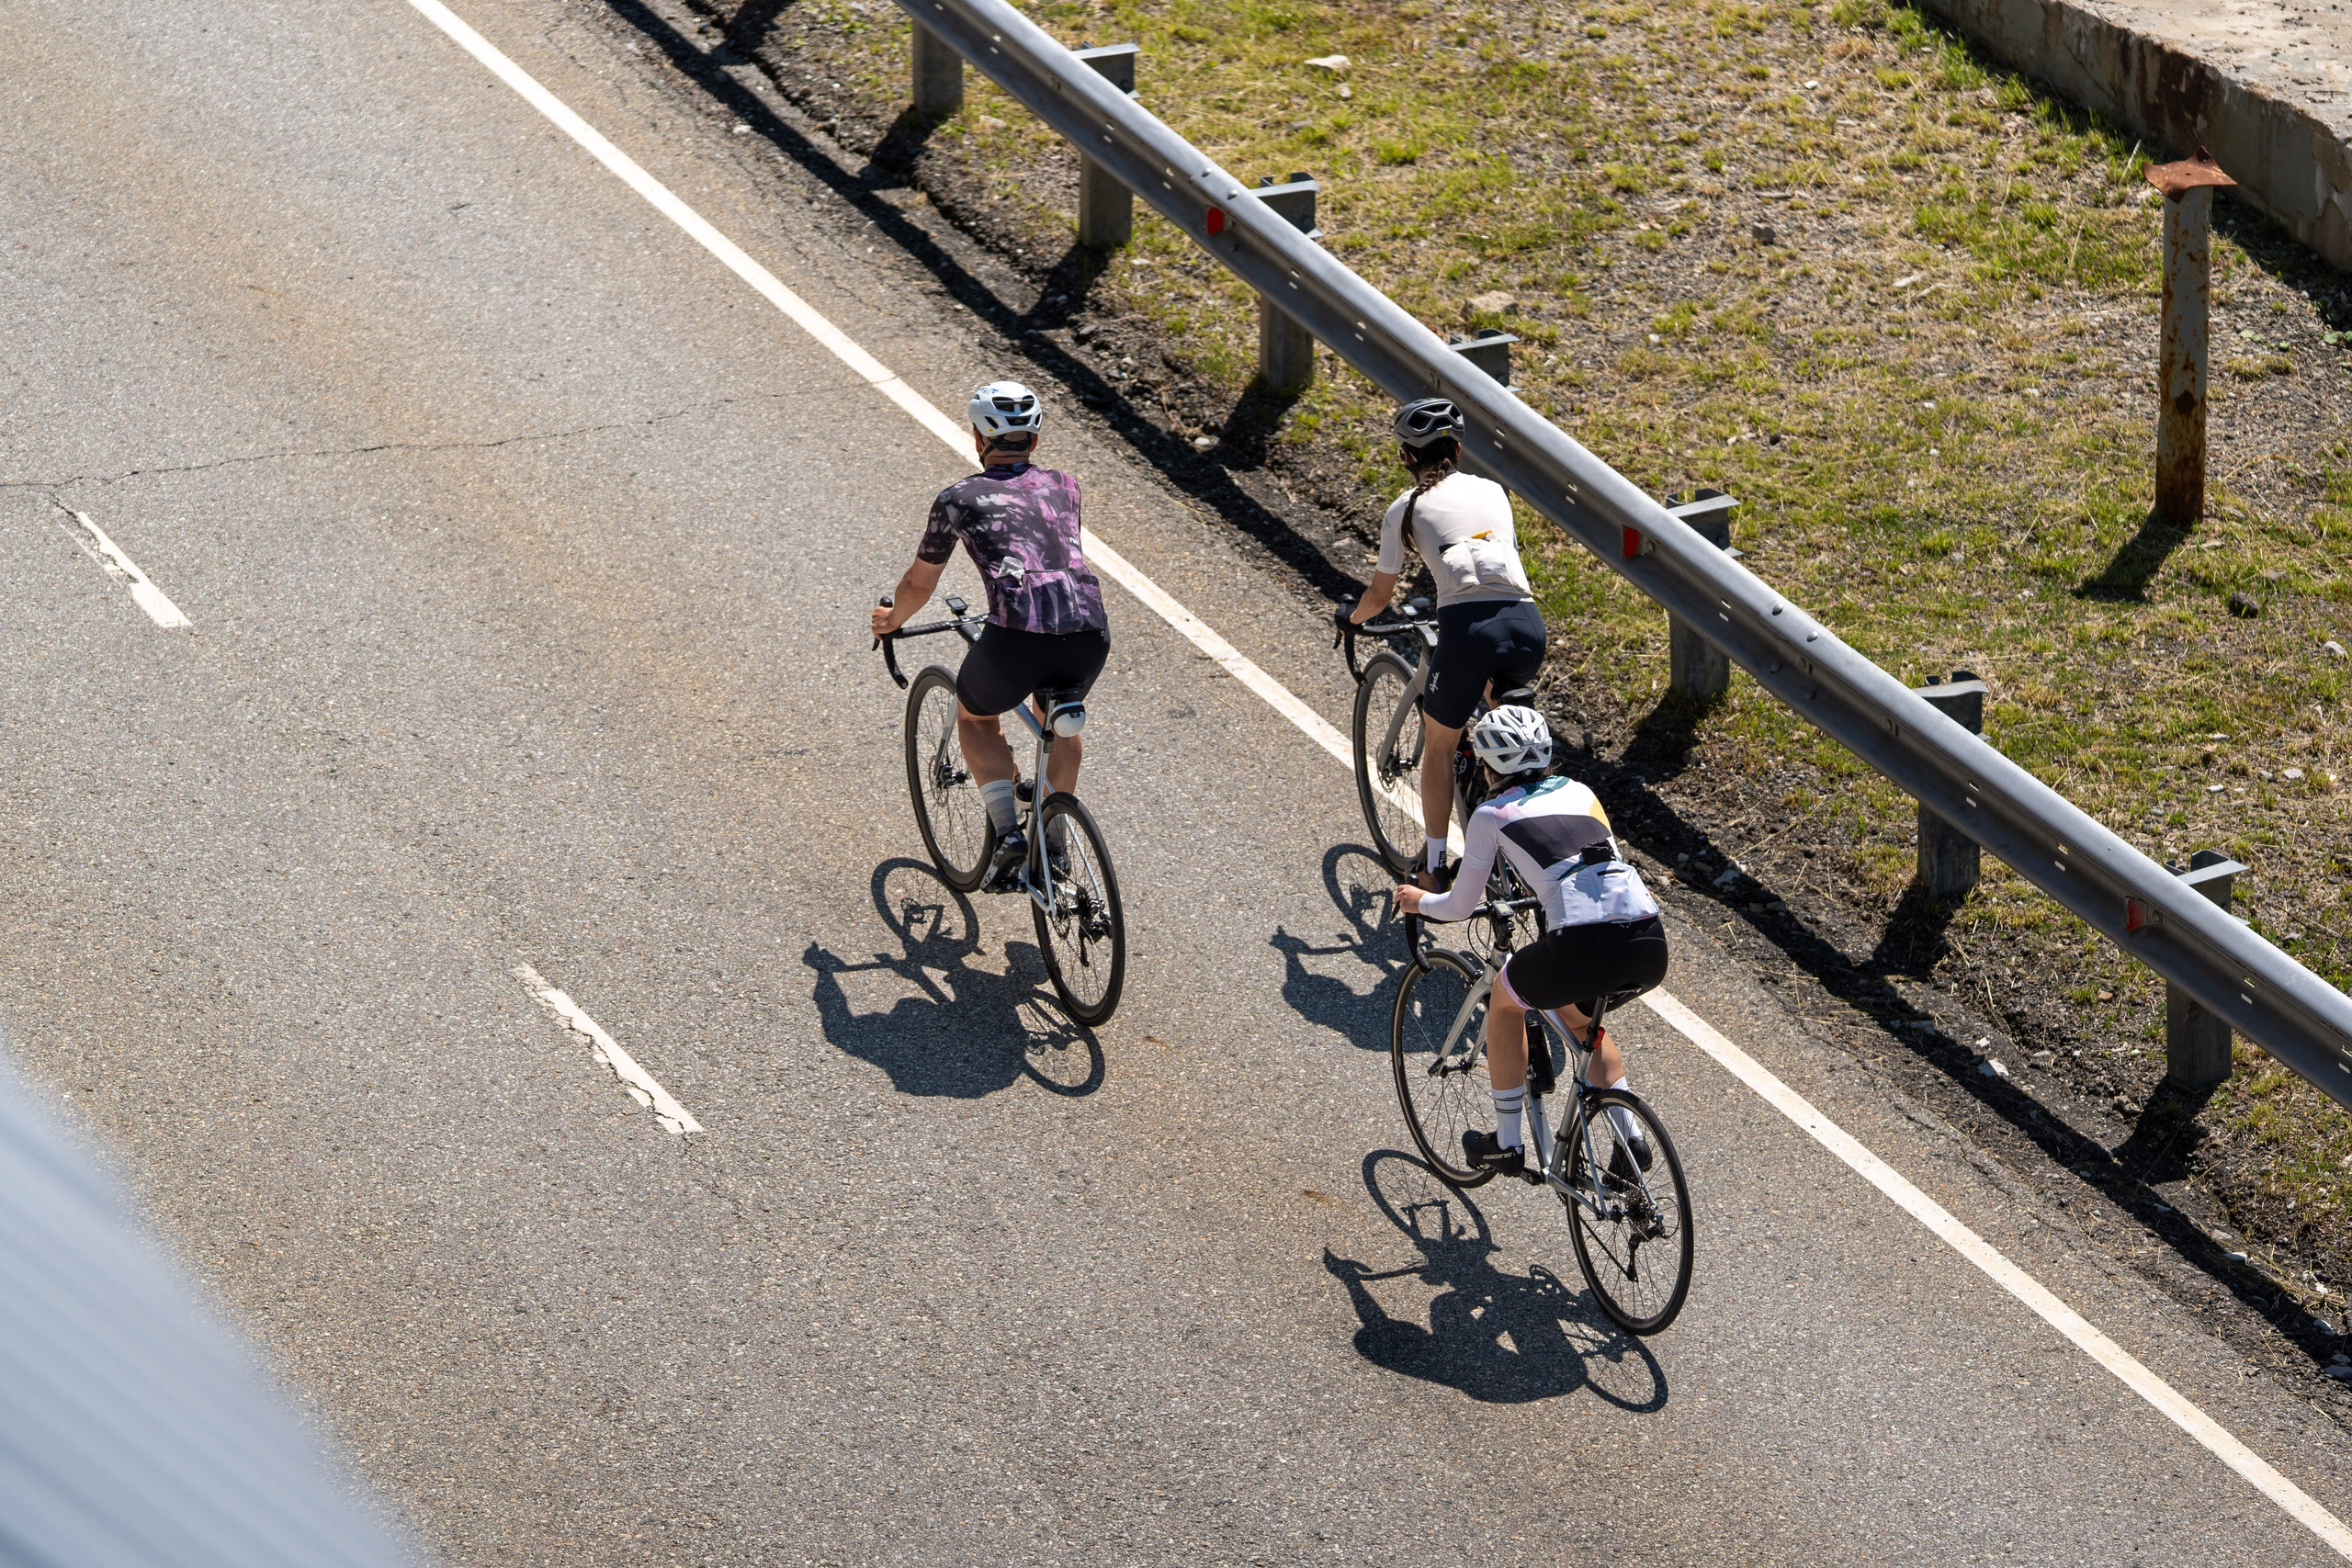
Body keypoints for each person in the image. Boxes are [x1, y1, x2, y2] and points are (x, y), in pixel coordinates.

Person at [1394, 705, 1669, 1179]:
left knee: (1504, 1000)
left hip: (1584, 944)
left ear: (1487, 767)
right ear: (1545, 758)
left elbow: (1460, 907)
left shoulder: (1490, 813)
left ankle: (1505, 1142)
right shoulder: (1581, 791)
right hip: (1647, 937)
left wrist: (1419, 902)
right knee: (1582, 1024)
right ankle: (1631, 1140)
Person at [870, 381, 1109, 889]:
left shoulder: (957, 499)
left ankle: (1007, 836)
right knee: (1057, 722)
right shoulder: (1066, 485)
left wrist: (892, 619)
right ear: (1035, 440)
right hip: (1088, 632)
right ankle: (1056, 842)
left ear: (979, 437)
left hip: (1017, 637)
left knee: (977, 718)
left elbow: (919, 583)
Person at [1339, 397, 1545, 890]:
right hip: (1527, 625)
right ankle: (1533, 834)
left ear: (1406, 458)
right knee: (1512, 729)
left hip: (1469, 632)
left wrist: (1350, 619)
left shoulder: (1403, 510)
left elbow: (1379, 596)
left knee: (1440, 745)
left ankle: (1433, 868)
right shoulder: (1494, 491)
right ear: (1456, 448)